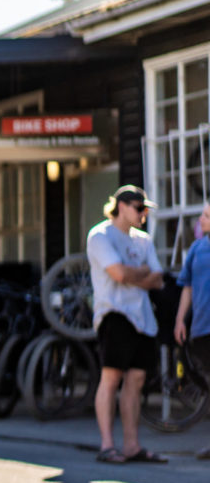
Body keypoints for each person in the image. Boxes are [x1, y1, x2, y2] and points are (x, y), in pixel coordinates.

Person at [88, 185, 168, 464]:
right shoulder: (100, 236)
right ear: (121, 207)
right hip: (115, 314)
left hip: (143, 318)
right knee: (111, 378)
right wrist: (140, 272)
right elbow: (118, 274)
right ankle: (107, 445)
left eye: (146, 210)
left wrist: (135, 275)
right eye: (139, 208)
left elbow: (158, 279)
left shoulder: (143, 240)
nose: (143, 214)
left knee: (136, 380)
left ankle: (132, 445)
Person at [171, 200, 210, 461]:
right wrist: (180, 320)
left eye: (206, 215)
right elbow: (187, 286)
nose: (201, 219)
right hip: (202, 328)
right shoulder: (197, 248)